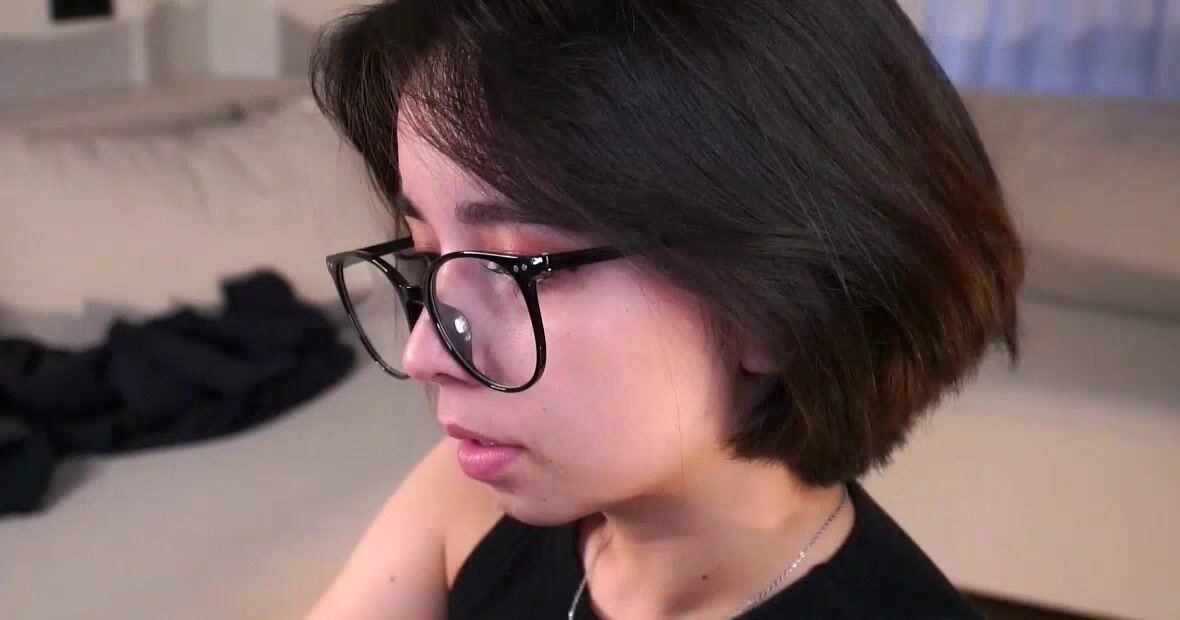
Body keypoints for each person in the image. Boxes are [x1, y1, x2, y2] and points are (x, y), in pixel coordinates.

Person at [306, 1, 1024, 618]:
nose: (425, 352)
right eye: (427, 254)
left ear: (779, 302)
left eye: (520, 264)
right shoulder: (465, 505)